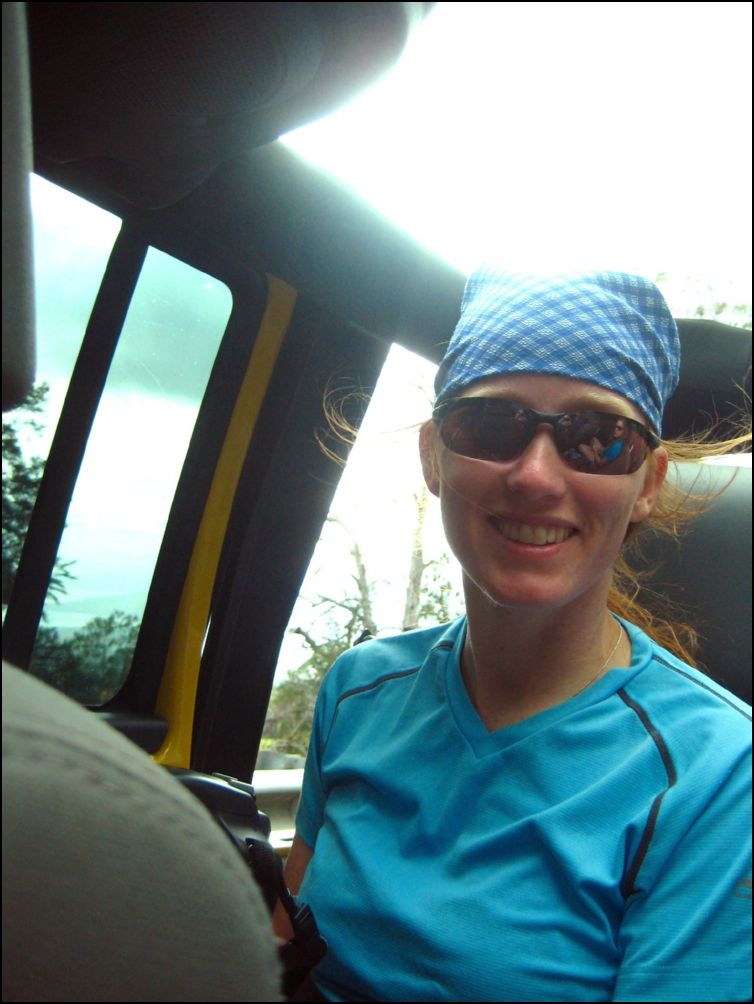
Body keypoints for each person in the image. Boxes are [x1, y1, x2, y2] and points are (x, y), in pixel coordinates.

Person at [274, 269, 752, 1003]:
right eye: (491, 425)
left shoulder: (718, 773)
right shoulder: (359, 691)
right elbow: (289, 953)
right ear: (433, 455)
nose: (534, 476)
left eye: (599, 439)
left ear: (649, 485)